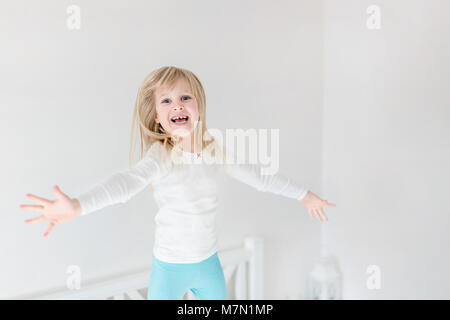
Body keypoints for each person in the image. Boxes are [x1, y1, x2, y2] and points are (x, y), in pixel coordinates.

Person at [19, 66, 336, 300]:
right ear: (157, 117)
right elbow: (125, 183)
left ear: (198, 107)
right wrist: (78, 205)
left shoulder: (217, 152)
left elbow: (262, 177)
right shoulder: (160, 158)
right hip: (169, 269)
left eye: (185, 97)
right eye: (167, 101)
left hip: (209, 264)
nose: (178, 105)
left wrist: (304, 195)